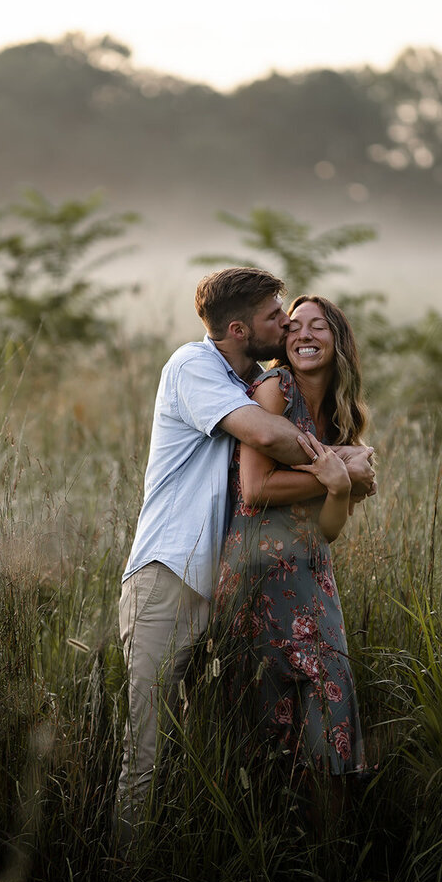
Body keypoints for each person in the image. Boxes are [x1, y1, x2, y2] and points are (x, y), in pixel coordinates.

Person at [115, 269, 375, 845]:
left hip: (225, 587)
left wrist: (337, 476)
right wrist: (342, 465)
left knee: (205, 738)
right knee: (146, 752)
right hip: (169, 578)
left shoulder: (254, 376)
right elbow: (270, 442)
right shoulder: (194, 367)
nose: (285, 324)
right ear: (238, 328)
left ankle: (208, 856)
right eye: (274, 316)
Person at [214, 294, 370, 801]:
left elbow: (328, 530)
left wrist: (340, 490)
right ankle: (265, 852)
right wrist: (340, 471)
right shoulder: (274, 390)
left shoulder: (341, 420)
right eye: (294, 325)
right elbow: (255, 489)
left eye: (318, 326)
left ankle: (327, 860)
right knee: (263, 728)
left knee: (328, 714)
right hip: (259, 577)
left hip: (313, 579)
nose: (303, 333)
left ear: (338, 340)